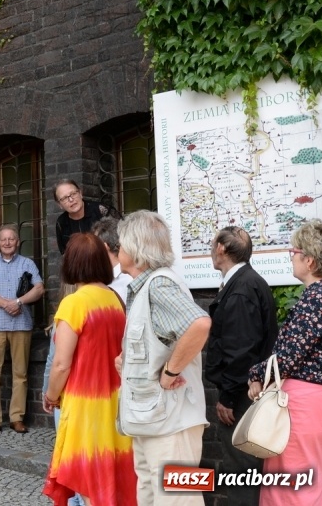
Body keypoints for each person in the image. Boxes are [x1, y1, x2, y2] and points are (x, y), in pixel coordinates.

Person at [115, 211, 211, 506]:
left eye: (120, 243)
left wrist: (170, 373)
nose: (117, 249)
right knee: (152, 494)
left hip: (171, 421)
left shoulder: (159, 284)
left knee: (179, 500)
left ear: (135, 250)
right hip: (153, 419)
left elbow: (199, 324)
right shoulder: (146, 286)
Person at [42, 234, 135, 506]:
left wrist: (50, 395)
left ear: (70, 264)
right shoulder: (115, 299)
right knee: (112, 479)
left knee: (89, 484)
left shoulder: (74, 303)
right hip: (116, 402)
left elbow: (61, 364)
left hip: (85, 405)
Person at [248, 219, 322, 506]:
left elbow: (290, 354)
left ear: (308, 259)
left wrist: (257, 373)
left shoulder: (316, 298)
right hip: (317, 402)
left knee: (293, 487)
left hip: (302, 405)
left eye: (292, 252)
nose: (290, 257)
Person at [205, 226, 277, 506]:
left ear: (221, 248)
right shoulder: (247, 282)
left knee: (242, 472)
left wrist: (227, 398)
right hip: (248, 393)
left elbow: (241, 352)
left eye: (212, 244)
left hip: (243, 398)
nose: (211, 250)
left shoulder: (241, 290)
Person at [0, 224, 44, 435]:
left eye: (11, 239)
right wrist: (8, 304)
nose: (7, 242)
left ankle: (17, 418)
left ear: (17, 242)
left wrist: (19, 302)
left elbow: (39, 289)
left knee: (20, 373)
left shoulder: (28, 263)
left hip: (21, 325)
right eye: (3, 239)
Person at [54, 179, 118, 255]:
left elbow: (120, 239)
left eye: (73, 194)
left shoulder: (101, 210)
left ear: (80, 193)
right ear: (59, 205)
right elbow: (65, 253)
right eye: (64, 198)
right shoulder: (61, 222)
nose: (71, 199)